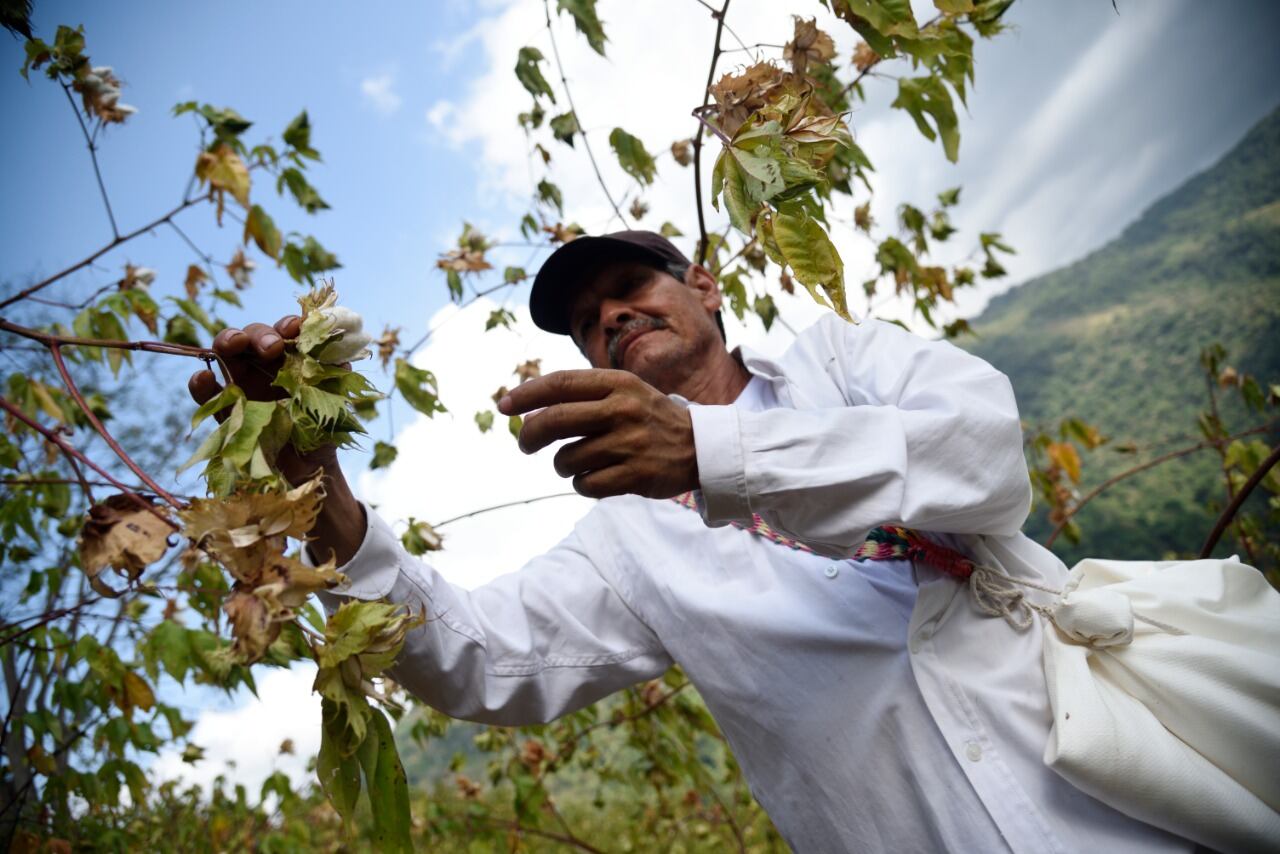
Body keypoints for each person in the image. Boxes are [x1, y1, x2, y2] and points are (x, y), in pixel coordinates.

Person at [188, 231, 1190, 853]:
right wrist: (313, 482)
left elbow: (984, 454)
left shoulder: (842, 362)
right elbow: (475, 661)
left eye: (631, 284)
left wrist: (712, 452)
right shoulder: (627, 544)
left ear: (704, 286)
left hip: (1137, 804)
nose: (611, 315)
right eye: (588, 323)